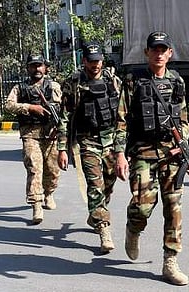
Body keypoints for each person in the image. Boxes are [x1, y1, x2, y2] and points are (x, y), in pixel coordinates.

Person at [113, 31, 189, 286]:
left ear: (170, 53)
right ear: (147, 52)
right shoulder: (133, 81)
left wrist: (183, 146)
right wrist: (120, 154)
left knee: (173, 206)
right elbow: (121, 119)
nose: (159, 54)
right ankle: (134, 227)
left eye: (163, 49)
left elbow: (183, 118)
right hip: (142, 152)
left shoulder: (177, 81)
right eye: (154, 49)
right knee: (143, 206)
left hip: (171, 153)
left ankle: (170, 261)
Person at [57, 43, 122, 253]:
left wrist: (124, 147)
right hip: (87, 140)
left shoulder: (113, 80)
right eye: (91, 61)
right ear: (84, 61)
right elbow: (65, 117)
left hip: (110, 140)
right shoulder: (74, 83)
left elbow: (123, 113)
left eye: (98, 61)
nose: (95, 65)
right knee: (95, 185)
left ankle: (96, 212)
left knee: (108, 183)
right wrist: (62, 148)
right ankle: (103, 229)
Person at [5, 53, 62, 224]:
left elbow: (63, 108)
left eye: (39, 65)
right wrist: (29, 107)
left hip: (51, 134)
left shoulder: (53, 86)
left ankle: (49, 193)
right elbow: (9, 105)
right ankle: (36, 204)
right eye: (33, 65)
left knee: (52, 170)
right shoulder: (20, 88)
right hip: (30, 134)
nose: (37, 69)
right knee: (34, 169)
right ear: (28, 68)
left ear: (45, 67)